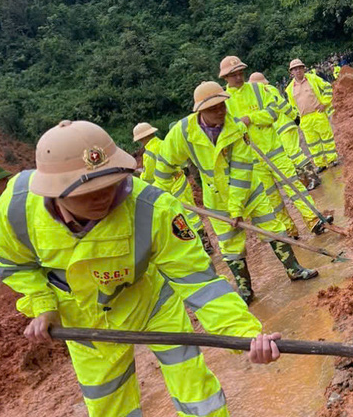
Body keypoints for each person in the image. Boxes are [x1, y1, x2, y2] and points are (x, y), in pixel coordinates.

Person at [0, 119, 282, 417]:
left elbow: (200, 282)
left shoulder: (152, 208)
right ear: (54, 192)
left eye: (110, 184)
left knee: (197, 393)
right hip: (84, 322)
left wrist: (246, 335)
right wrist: (42, 305)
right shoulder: (16, 209)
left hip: (150, 304)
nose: (104, 198)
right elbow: (13, 264)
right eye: (87, 192)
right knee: (111, 413)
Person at [156, 82, 319, 304]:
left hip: (249, 191)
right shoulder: (183, 133)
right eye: (213, 108)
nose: (220, 111)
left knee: (272, 228)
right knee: (229, 245)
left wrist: (236, 209)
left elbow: (241, 171)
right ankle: (245, 291)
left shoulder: (235, 128)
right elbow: (164, 164)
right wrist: (164, 196)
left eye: (222, 105)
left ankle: (294, 269)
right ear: (200, 111)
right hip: (215, 199)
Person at [218, 56, 331, 237]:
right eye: (233, 75)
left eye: (240, 73)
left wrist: (251, 118)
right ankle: (289, 230)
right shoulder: (224, 102)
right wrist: (240, 126)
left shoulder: (258, 89)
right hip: (253, 159)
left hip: (274, 151)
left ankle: (313, 219)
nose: (238, 77)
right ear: (225, 78)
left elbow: (273, 113)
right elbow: (227, 130)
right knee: (272, 199)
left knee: (294, 186)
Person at [133, 122, 213, 255]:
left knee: (181, 217)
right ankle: (205, 243)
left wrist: (140, 177)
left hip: (170, 186)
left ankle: (198, 245)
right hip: (180, 180)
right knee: (191, 213)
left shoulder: (149, 154)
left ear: (141, 139)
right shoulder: (165, 144)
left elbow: (147, 177)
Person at [248, 71, 320, 190]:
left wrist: (293, 116)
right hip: (281, 128)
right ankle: (305, 180)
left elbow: (282, 105)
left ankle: (312, 177)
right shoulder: (261, 94)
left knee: (294, 153)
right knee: (290, 155)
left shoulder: (267, 91)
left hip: (284, 126)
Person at [286, 59, 340, 172]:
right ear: (291, 72)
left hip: (318, 113)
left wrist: (324, 103)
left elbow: (327, 87)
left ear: (303, 68)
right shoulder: (289, 89)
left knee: (326, 138)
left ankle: (332, 159)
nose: (298, 71)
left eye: (300, 68)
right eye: (295, 69)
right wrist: (297, 118)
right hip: (305, 118)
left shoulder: (313, 78)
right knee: (312, 143)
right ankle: (320, 164)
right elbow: (292, 106)